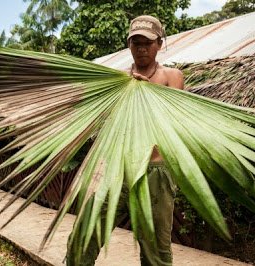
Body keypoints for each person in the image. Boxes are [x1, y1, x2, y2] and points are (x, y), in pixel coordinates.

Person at [66, 15, 184, 266]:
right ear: (128, 45)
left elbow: (173, 122)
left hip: (154, 169)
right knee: (83, 237)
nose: (141, 48)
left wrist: (146, 92)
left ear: (159, 44)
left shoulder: (172, 77)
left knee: (156, 252)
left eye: (148, 43)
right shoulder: (115, 80)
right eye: (136, 42)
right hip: (115, 166)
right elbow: (103, 121)